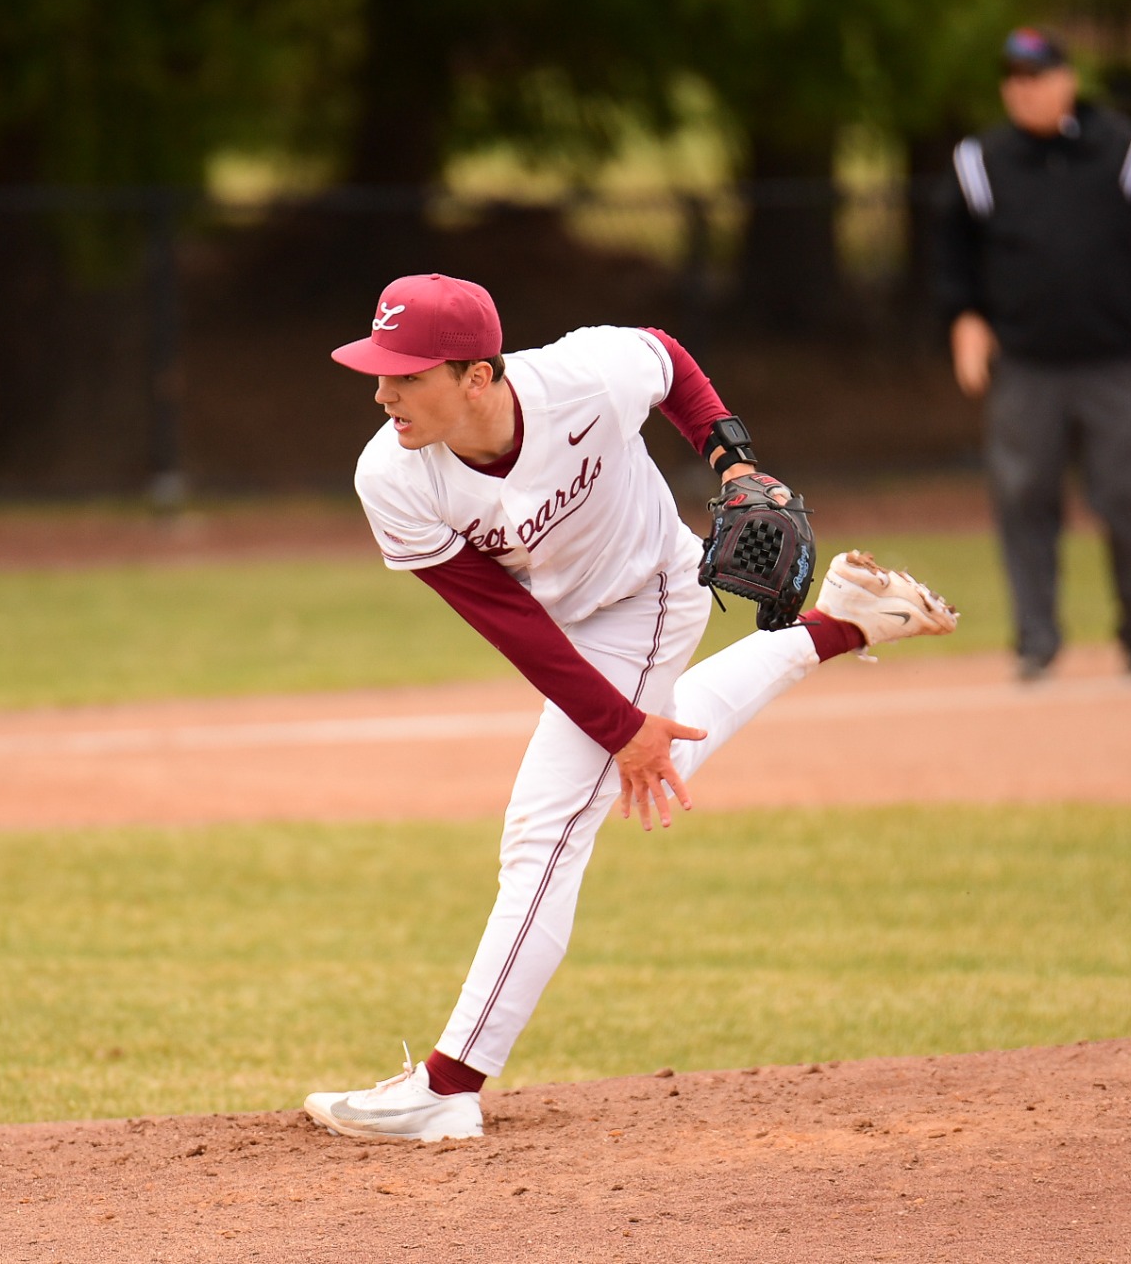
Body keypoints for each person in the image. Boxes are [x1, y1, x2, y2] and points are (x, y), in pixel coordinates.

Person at [303, 273, 957, 1141]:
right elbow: (509, 621)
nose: (382, 391)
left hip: (651, 590)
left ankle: (447, 1087)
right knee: (643, 764)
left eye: (407, 372)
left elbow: (670, 359)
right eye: (378, 369)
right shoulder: (392, 476)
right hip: (565, 624)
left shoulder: (582, 376)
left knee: (547, 832)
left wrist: (733, 460)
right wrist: (623, 730)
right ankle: (840, 625)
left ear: (476, 376)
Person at [933, 26, 1131, 681]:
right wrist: (964, 320)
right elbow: (951, 251)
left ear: (1067, 80)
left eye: (1036, 76)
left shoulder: (1129, 151)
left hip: (1116, 361)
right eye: (1013, 79)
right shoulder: (981, 160)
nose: (1024, 90)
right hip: (1026, 366)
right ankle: (1036, 639)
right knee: (1023, 497)